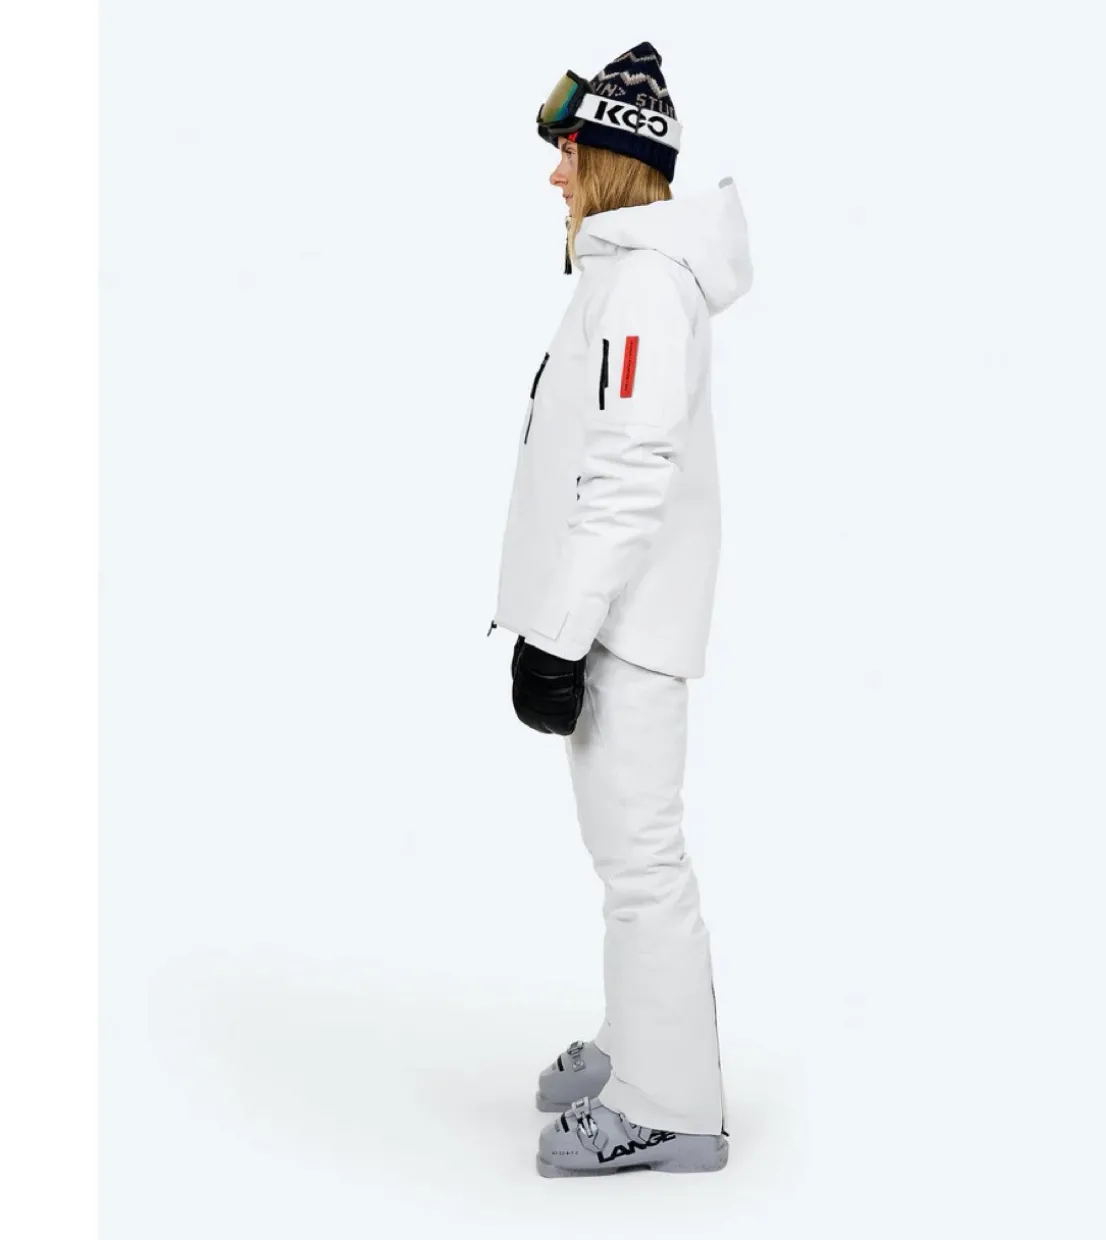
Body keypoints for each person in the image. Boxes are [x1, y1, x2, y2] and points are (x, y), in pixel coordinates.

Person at [488, 41, 753, 1178]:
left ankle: (670, 1104)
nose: (555, 173)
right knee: (624, 856)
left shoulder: (644, 284)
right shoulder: (621, 275)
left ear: (613, 159)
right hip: (604, 618)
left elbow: (630, 474)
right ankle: (641, 1041)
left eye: (570, 151)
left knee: (641, 862)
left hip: (623, 630)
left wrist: (559, 636)